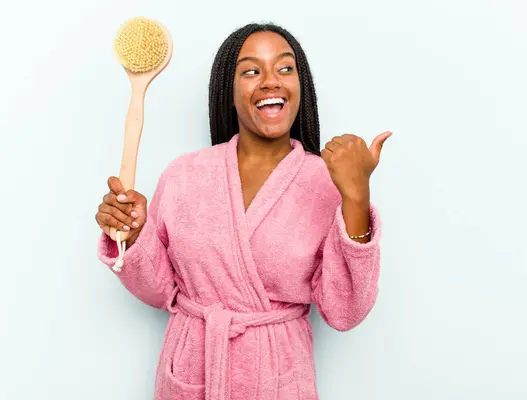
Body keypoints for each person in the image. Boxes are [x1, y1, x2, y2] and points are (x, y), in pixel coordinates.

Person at [95, 22, 391, 400]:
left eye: (285, 69)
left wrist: (356, 198)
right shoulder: (184, 174)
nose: (271, 81)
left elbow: (344, 311)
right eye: (252, 71)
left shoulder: (325, 182)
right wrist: (134, 235)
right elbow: (161, 291)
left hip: (279, 379)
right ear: (228, 92)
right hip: (191, 373)